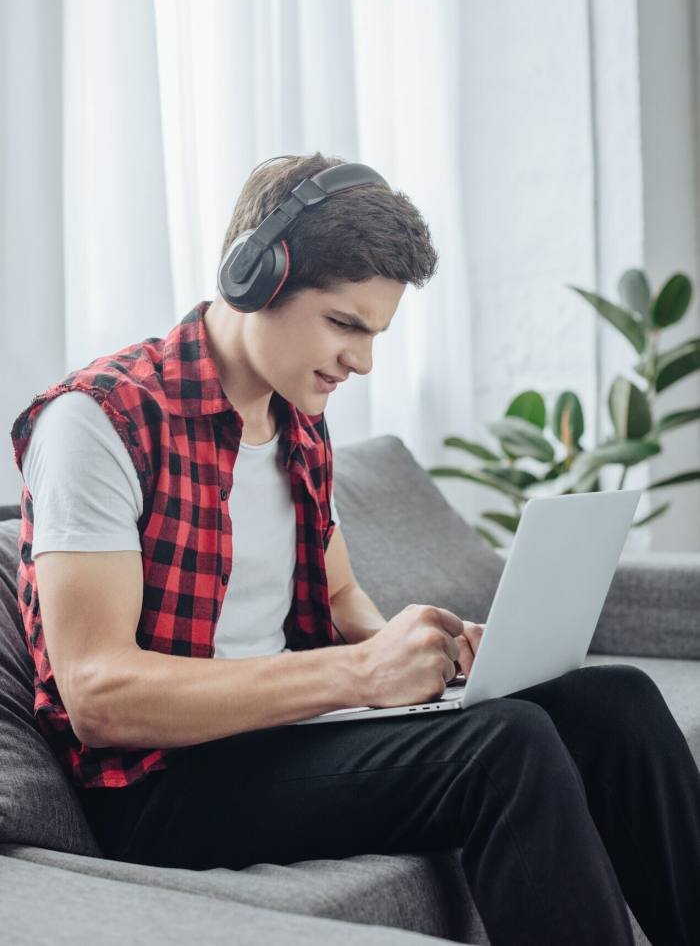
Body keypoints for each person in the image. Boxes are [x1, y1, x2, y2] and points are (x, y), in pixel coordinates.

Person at [10, 152, 700, 946]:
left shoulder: (297, 418)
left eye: (376, 333)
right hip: (163, 786)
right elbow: (99, 697)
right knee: (505, 749)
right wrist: (358, 676)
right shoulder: (99, 422)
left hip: (281, 741)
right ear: (255, 279)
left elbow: (339, 603)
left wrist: (417, 649)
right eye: (345, 325)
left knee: (616, 703)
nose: (362, 361)